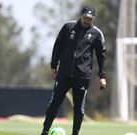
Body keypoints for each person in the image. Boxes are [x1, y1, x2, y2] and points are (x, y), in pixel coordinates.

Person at [40, 5, 107, 135]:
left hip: (82, 76)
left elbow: (101, 56)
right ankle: (45, 131)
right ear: (80, 16)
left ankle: (75, 133)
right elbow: (57, 46)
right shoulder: (68, 27)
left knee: (79, 109)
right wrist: (54, 66)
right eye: (84, 17)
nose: (86, 20)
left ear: (93, 19)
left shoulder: (97, 34)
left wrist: (102, 76)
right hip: (64, 74)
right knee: (54, 103)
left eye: (89, 18)